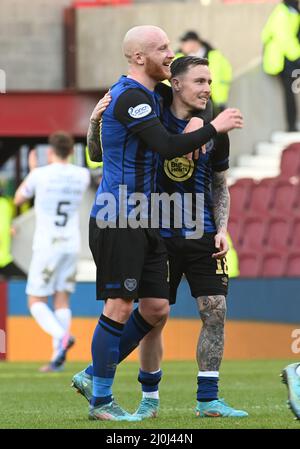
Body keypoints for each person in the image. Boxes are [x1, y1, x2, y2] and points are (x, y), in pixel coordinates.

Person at [71, 26, 243, 423]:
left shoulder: (151, 96)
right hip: (121, 213)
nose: (171, 53)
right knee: (119, 305)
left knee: (155, 308)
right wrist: (213, 127)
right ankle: (101, 398)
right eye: (162, 48)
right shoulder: (133, 96)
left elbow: (190, 107)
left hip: (147, 219)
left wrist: (204, 123)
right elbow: (160, 147)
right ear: (137, 57)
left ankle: (101, 379)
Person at [14, 132, 90, 372]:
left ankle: (62, 336)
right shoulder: (82, 175)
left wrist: (32, 170)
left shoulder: (40, 174)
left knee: (35, 299)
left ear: (50, 152)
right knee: (62, 298)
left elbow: (18, 199)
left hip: (48, 244)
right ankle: (59, 356)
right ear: (71, 151)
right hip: (71, 243)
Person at [262, 0, 300, 132]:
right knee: (290, 92)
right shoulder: (283, 11)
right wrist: (297, 55)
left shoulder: (290, 10)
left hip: (288, 58)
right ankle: (291, 125)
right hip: (284, 60)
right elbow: (284, 37)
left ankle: (292, 125)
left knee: (290, 91)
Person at [178, 31, 232, 116]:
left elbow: (226, 72)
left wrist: (222, 92)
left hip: (214, 99)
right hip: (189, 101)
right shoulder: (178, 57)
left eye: (184, 43)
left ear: (193, 43)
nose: (181, 46)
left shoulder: (215, 55)